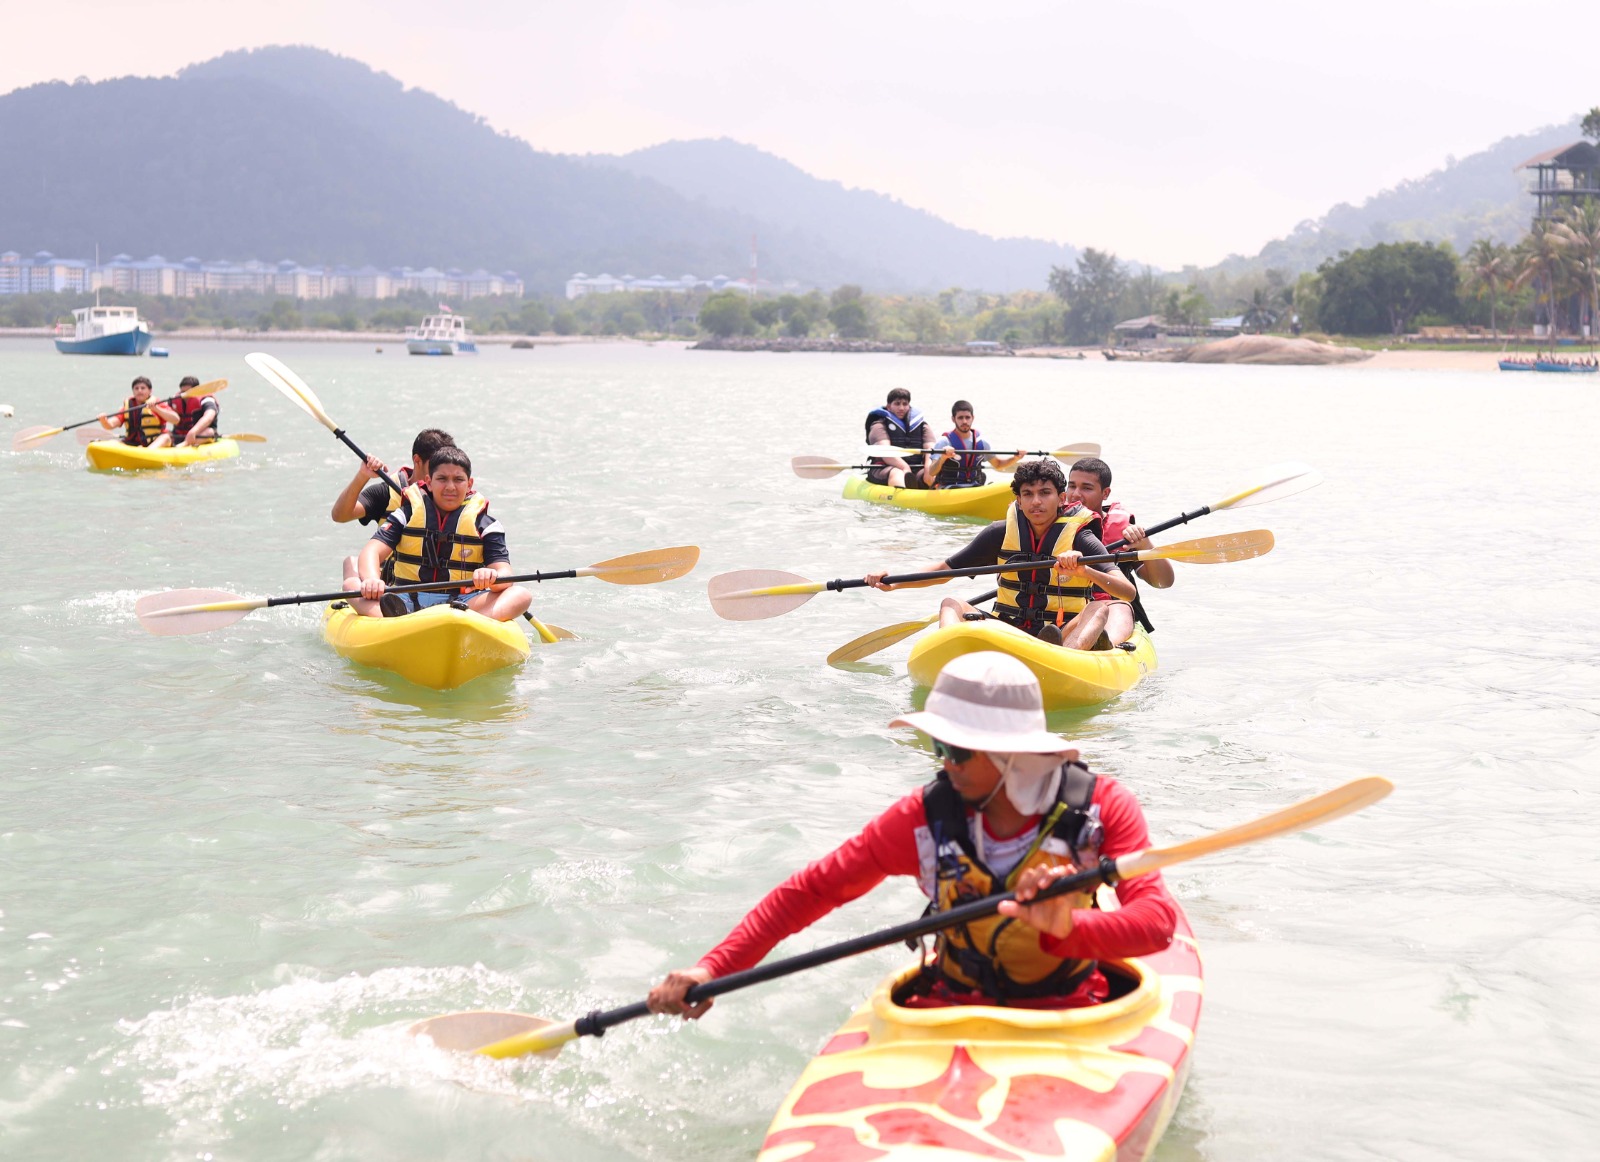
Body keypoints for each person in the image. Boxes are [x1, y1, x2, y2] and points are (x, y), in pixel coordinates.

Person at [647, 652, 1177, 1016]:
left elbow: (1156, 925)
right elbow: (810, 892)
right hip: (947, 1009)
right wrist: (711, 968)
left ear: (1013, 754)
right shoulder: (924, 817)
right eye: (936, 748)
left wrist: (1071, 927)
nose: (943, 765)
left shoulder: (1101, 808)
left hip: (1070, 1011)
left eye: (956, 750)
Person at [865, 457, 1135, 650]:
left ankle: (1067, 657)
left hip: (1061, 632)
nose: (1036, 502)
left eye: (1045, 493)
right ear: (1018, 500)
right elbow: (945, 571)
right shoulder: (999, 533)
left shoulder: (1080, 536)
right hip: (1006, 629)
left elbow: (1126, 592)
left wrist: (1084, 570)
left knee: (1099, 608)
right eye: (1027, 494)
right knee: (951, 603)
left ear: (1061, 499)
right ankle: (951, 658)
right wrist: (894, 582)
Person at [354, 445, 532, 621]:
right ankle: (398, 622)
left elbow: (505, 573)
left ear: (469, 484)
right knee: (351, 586)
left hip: (462, 604)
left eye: (458, 479)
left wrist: (492, 576)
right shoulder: (405, 514)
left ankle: (468, 623)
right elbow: (371, 552)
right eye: (442, 479)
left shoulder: (487, 525)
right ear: (429, 482)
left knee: (520, 595)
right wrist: (372, 580)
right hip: (406, 599)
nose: (450, 487)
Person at [1064, 457, 1173, 648]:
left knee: (1118, 608)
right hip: (1070, 614)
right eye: (1071, 486)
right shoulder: (1053, 525)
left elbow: (1163, 582)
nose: (1075, 494)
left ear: (1105, 493)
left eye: (1086, 488)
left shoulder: (1122, 533)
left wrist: (1144, 544)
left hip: (1114, 613)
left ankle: (1106, 645)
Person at [333, 428, 455, 595]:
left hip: (434, 581)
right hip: (390, 581)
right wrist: (363, 475)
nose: (441, 475)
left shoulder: (450, 497)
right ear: (417, 460)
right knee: (351, 563)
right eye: (434, 466)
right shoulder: (386, 492)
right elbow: (340, 515)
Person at [918, 400, 1022, 488]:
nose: (964, 421)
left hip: (974, 486)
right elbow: (932, 472)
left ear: (973, 418)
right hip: (949, 488)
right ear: (953, 419)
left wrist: (1015, 458)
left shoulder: (982, 443)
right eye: (960, 418)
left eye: (967, 417)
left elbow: (998, 465)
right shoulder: (944, 442)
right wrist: (943, 458)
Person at [864, 387, 934, 488]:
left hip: (915, 468)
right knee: (897, 473)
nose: (901, 408)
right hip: (884, 469)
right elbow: (886, 452)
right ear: (889, 407)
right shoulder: (878, 426)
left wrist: (928, 468)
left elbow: (931, 450)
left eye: (905, 404)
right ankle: (904, 499)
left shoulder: (923, 426)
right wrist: (905, 467)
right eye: (897, 404)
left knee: (934, 472)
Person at [97, 376, 166, 447]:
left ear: (150, 391)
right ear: (133, 391)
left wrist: (157, 409)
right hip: (132, 443)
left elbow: (175, 419)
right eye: (136, 388)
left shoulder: (157, 404)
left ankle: (147, 453)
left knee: (166, 437)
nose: (139, 390)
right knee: (112, 443)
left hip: (153, 444)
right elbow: (110, 425)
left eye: (143, 388)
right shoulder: (128, 407)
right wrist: (104, 421)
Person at [152, 376, 219, 447]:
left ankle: (184, 444)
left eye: (188, 392)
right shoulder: (175, 399)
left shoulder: (206, 399)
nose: (186, 395)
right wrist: (155, 408)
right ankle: (150, 450)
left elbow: (209, 416)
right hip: (178, 435)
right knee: (165, 435)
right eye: (183, 392)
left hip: (198, 435)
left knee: (209, 432)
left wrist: (194, 431)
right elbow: (165, 411)